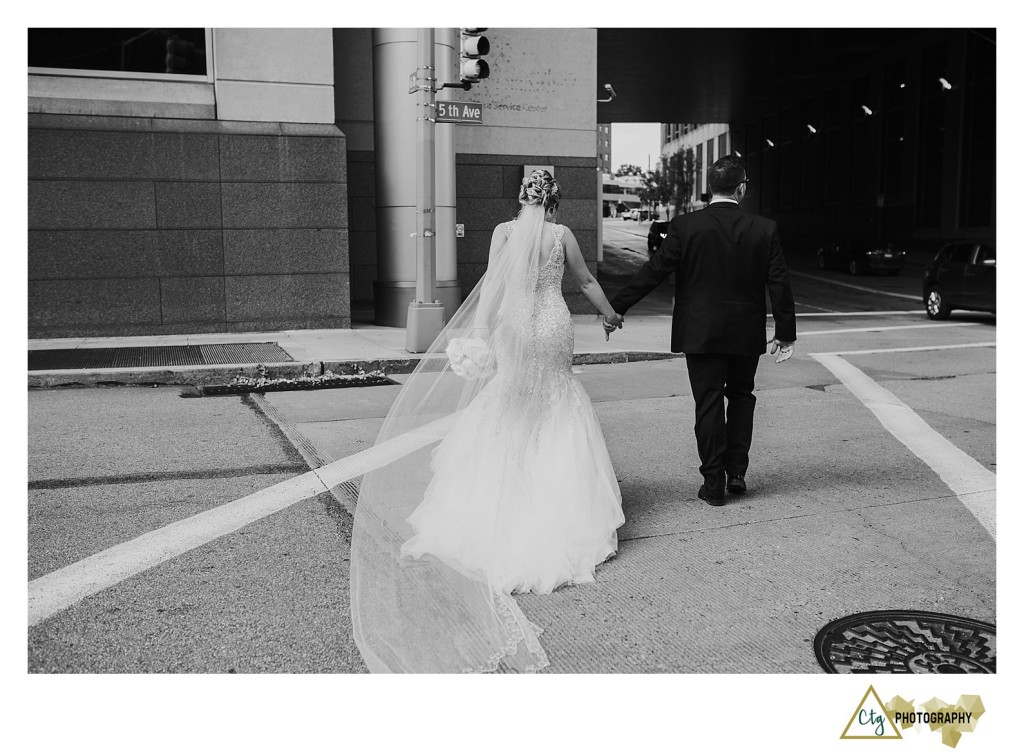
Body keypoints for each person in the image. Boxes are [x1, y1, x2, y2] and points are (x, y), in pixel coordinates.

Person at [350, 170, 626, 673]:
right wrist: (609, 314)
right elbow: (584, 281)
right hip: (552, 325)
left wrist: (478, 334)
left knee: (510, 404)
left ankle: (500, 496)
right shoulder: (561, 236)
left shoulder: (503, 233)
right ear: (556, 200)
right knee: (555, 400)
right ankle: (554, 502)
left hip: (515, 326)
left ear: (521, 198)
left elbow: (493, 287)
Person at [605, 156, 796, 504]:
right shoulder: (764, 228)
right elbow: (779, 282)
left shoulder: (685, 226)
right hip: (744, 331)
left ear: (710, 188)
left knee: (707, 403)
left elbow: (655, 270)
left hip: (701, 331)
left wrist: (617, 307)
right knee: (741, 398)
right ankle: (736, 473)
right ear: (741, 188)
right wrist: (785, 333)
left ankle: (713, 485)